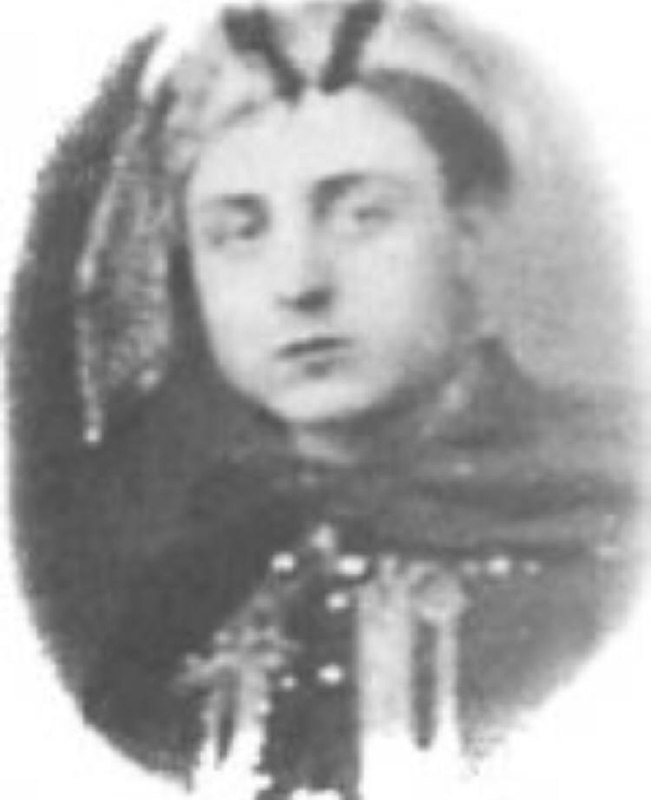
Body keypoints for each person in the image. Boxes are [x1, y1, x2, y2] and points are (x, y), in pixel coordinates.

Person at [9, 1, 642, 796]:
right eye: (240, 232)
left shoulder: (604, 543)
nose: (299, 283)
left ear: (469, 236)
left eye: (361, 214)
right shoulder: (193, 591)